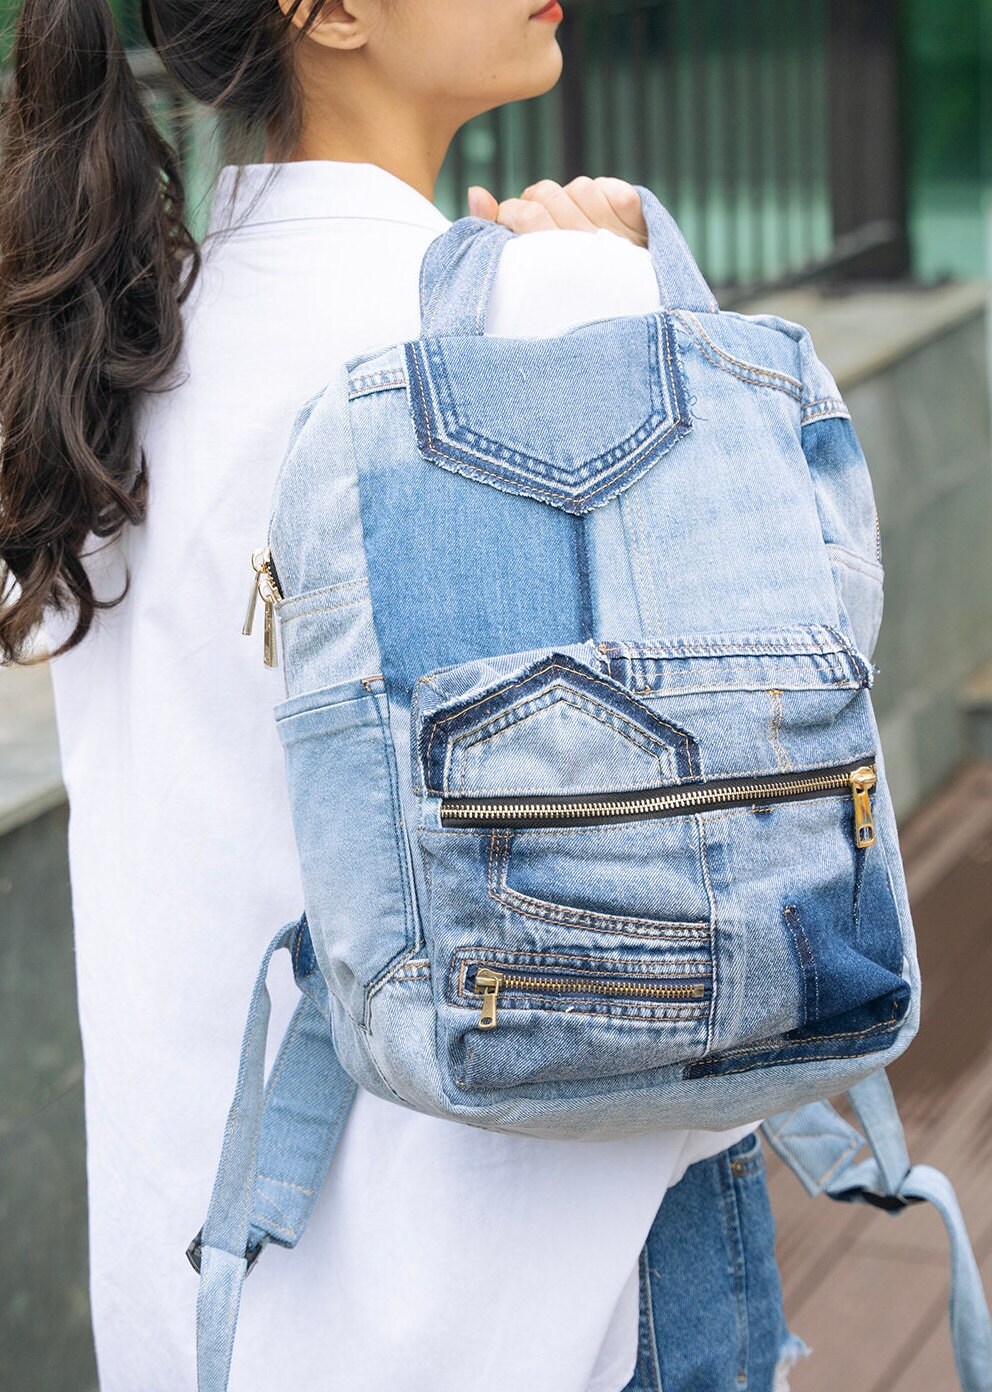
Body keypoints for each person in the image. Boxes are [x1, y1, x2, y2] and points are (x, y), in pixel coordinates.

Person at [0, 1, 809, 1388]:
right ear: (329, 11)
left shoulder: (117, 338)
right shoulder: (533, 315)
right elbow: (773, 768)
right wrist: (636, 303)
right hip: (534, 1290)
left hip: (212, 1281)